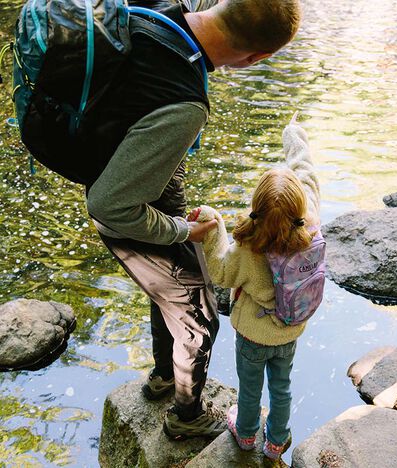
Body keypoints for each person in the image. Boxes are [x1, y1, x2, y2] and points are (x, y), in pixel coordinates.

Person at [84, 0, 302, 440]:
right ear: (258, 58)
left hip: (139, 191)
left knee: (170, 296)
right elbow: (110, 207)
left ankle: (165, 374)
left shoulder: (160, 10)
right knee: (201, 318)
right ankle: (185, 417)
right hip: (130, 214)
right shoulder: (185, 102)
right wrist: (186, 231)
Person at [187, 116, 321, 465]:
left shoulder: (247, 247)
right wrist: (293, 135)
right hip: (289, 331)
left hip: (251, 335)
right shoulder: (309, 232)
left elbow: (220, 274)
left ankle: (246, 435)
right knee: (282, 387)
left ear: (256, 207)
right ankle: (276, 442)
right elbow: (306, 173)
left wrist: (215, 224)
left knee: (249, 390)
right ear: (300, 209)